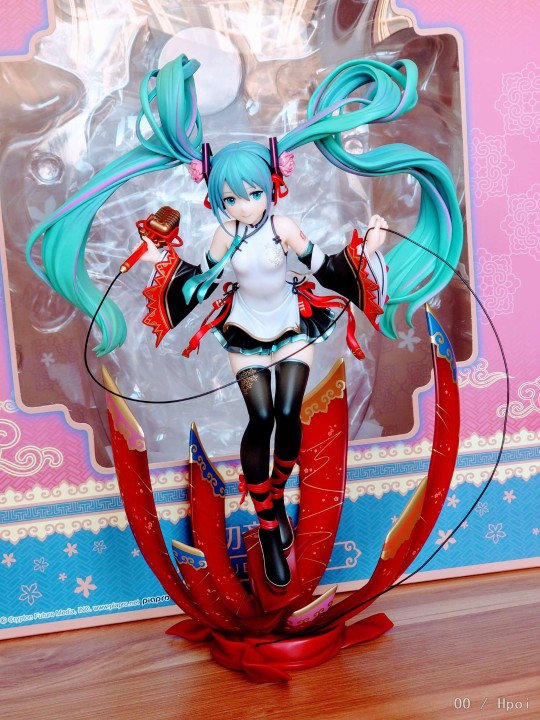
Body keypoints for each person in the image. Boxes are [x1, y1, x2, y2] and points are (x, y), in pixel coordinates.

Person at [26, 54, 463, 588]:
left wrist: (369, 252)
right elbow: (195, 283)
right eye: (231, 198)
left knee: (289, 412)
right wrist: (160, 259)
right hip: (243, 333)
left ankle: (273, 496)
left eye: (253, 194)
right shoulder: (222, 235)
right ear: (216, 197)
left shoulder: (284, 227)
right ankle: (269, 523)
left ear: (272, 186)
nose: (244, 205)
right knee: (260, 417)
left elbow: (324, 268)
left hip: (294, 325)